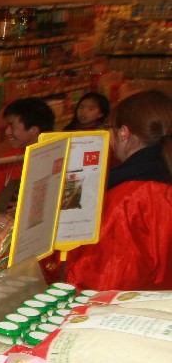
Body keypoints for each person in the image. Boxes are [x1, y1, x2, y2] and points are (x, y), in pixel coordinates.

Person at [65, 90, 172, 290]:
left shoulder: (126, 198)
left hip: (132, 307)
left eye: (109, 128)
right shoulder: (160, 181)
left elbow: (100, 281)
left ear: (124, 132)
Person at [0, 97, 56, 214]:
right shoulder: (9, 159)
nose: (7, 132)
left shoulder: (58, 158)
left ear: (33, 130)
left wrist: (31, 207)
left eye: (12, 126)